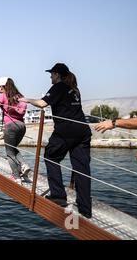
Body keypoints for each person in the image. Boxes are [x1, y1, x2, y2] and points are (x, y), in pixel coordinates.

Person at [20, 63, 93, 218]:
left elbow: (42, 103)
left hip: (66, 130)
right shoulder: (74, 89)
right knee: (82, 169)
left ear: (58, 74)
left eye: (52, 74)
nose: (50, 77)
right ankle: (85, 208)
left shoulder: (58, 87)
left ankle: (59, 196)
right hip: (83, 130)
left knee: (51, 156)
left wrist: (25, 99)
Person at [0, 77, 30, 184]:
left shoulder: (2, 96)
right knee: (13, 149)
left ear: (2, 87)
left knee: (9, 153)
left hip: (11, 127)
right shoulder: (20, 96)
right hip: (22, 126)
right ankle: (24, 165)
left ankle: (16, 177)